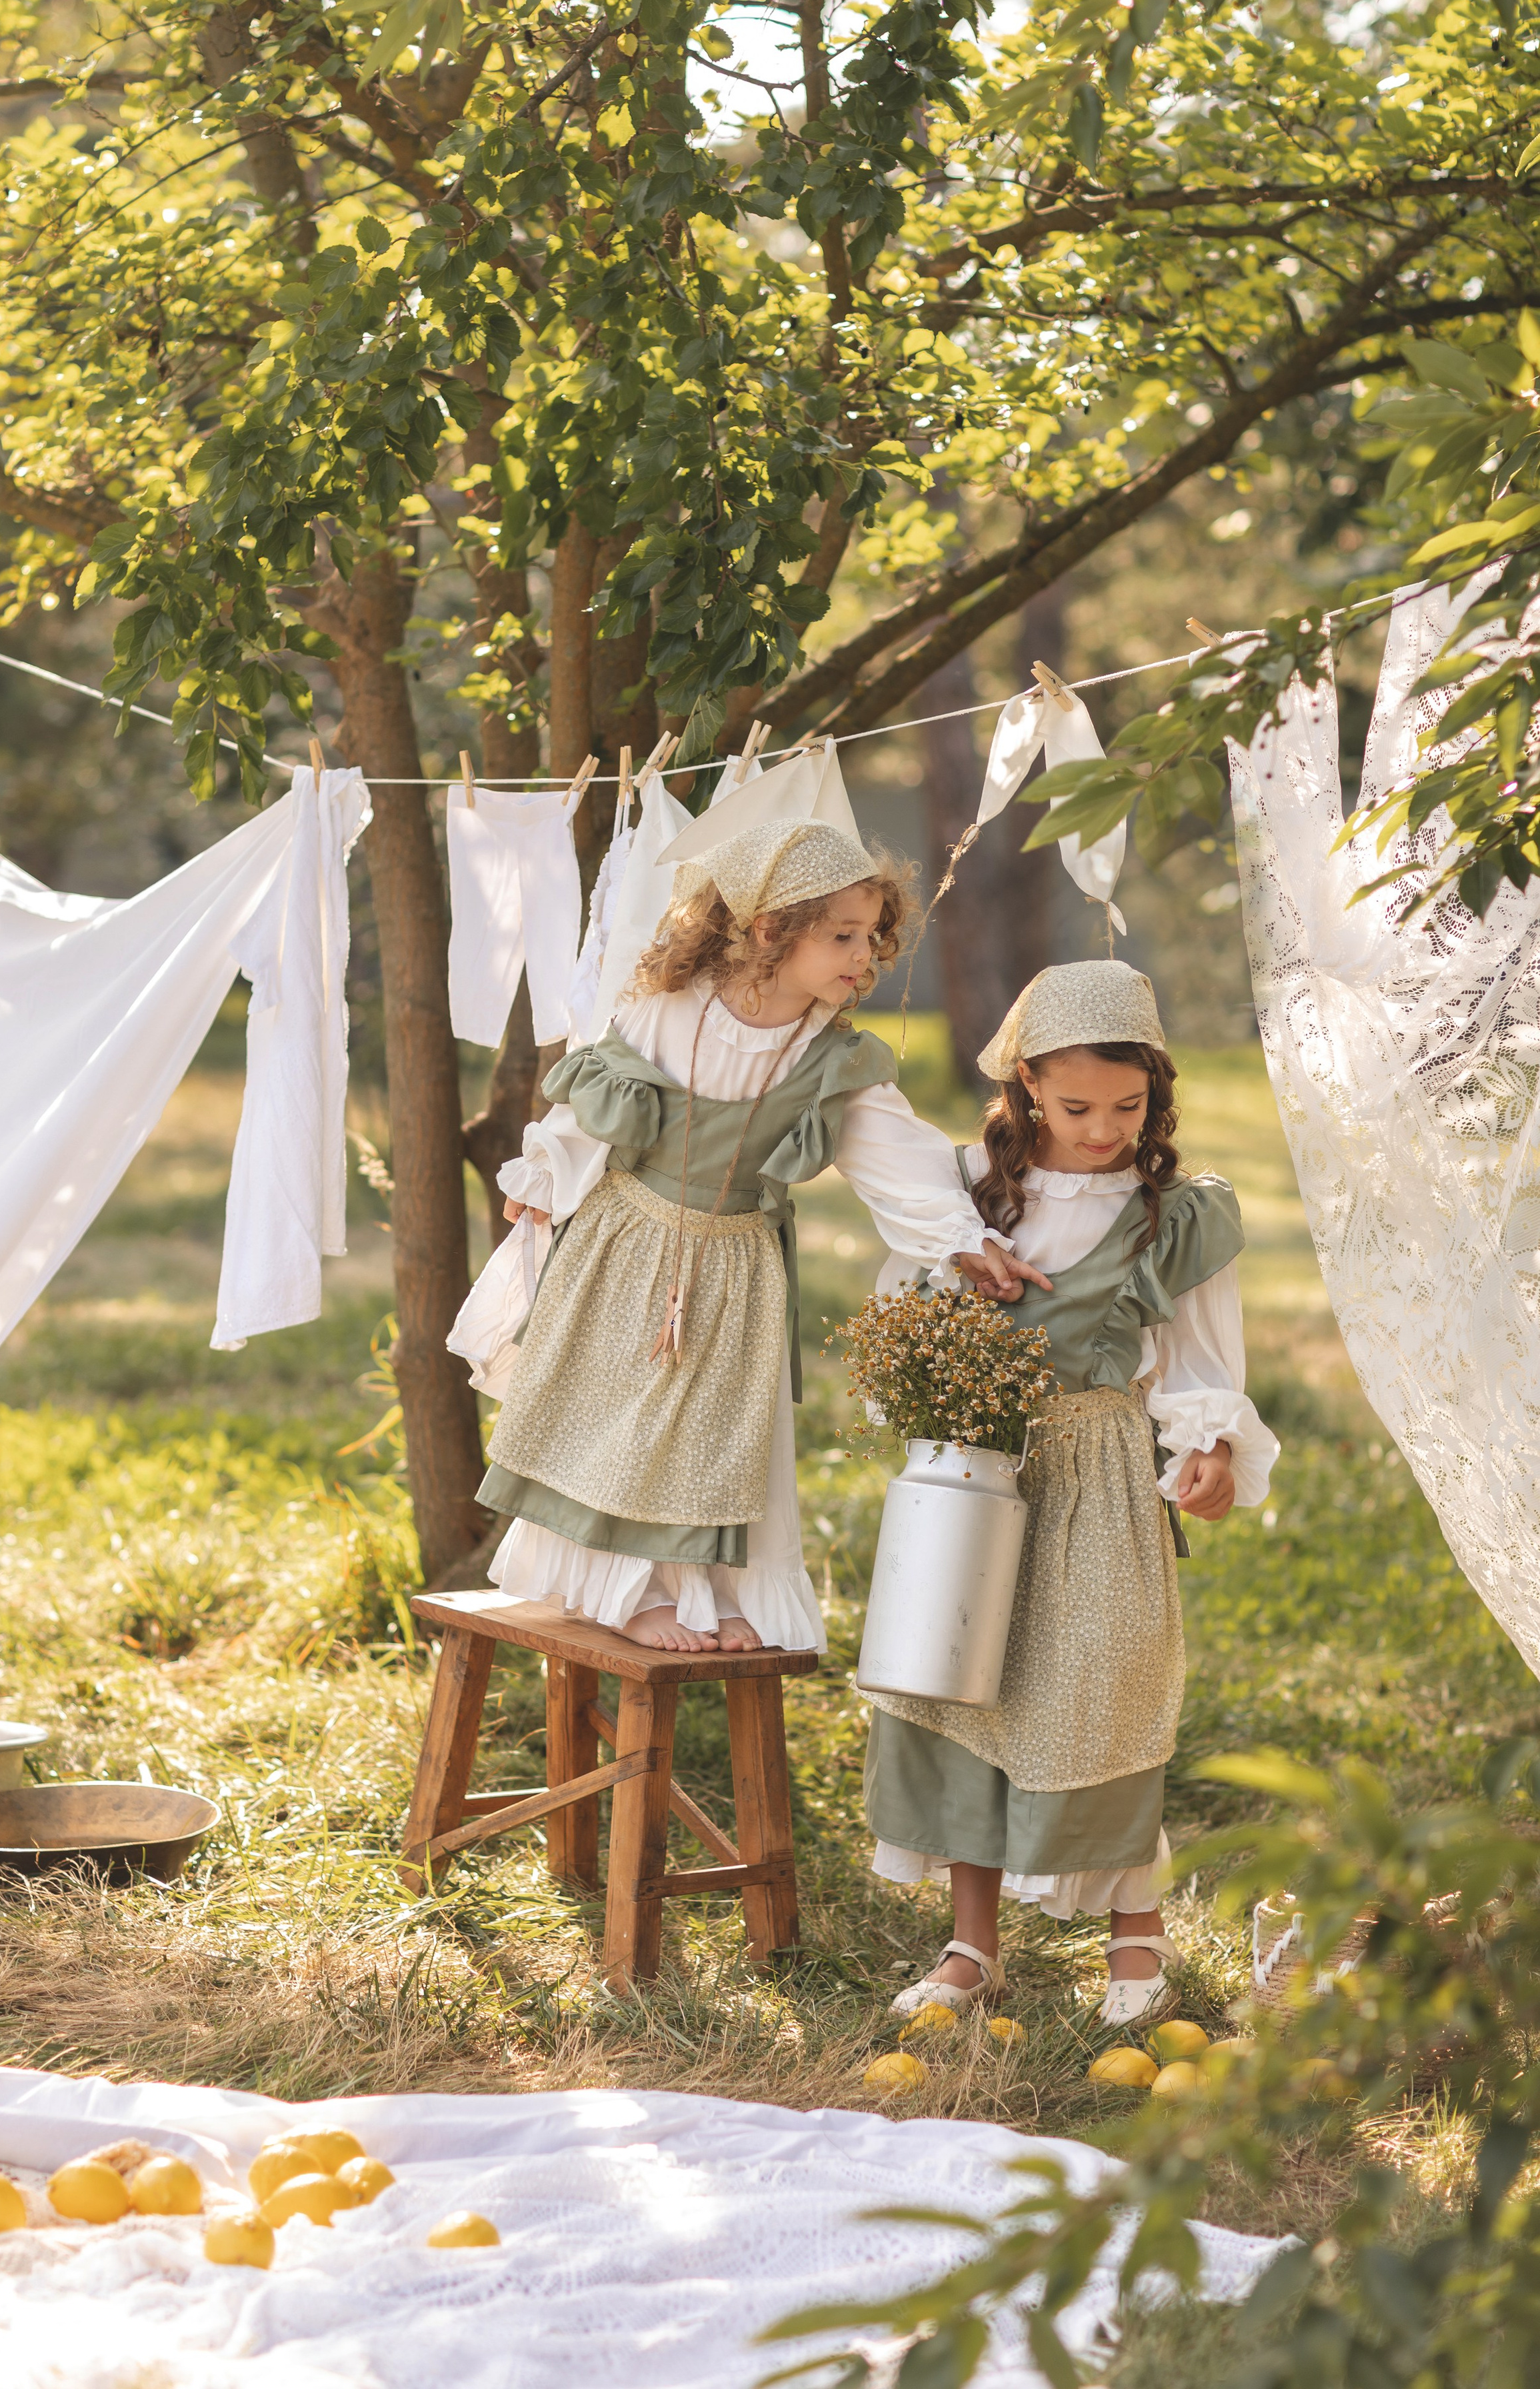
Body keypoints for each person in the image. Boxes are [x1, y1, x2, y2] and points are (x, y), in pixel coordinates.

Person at [861, 960, 1279, 2027]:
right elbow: (902, 1312)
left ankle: (1133, 1926)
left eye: (1129, 1107)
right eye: (1078, 1106)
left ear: (1158, 1094)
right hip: (974, 1471)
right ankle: (972, 1943)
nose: (1104, 1130)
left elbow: (1199, 1362)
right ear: (1027, 1089)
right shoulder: (960, 1194)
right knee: (965, 1685)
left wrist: (1213, 1451)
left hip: (1098, 1473)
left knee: (1102, 1687)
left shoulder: (1172, 1214)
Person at [466, 816, 995, 1655]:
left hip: (736, 1259)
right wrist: (541, 1181)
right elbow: (587, 1109)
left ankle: (703, 1595)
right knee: (625, 1418)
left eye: (871, 938)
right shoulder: (669, 1011)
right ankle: (623, 1590)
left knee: (713, 1431)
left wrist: (962, 1236)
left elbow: (899, 1155)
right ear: (768, 931)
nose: (865, 957)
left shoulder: (829, 1056)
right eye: (843, 937)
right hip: (628, 1244)